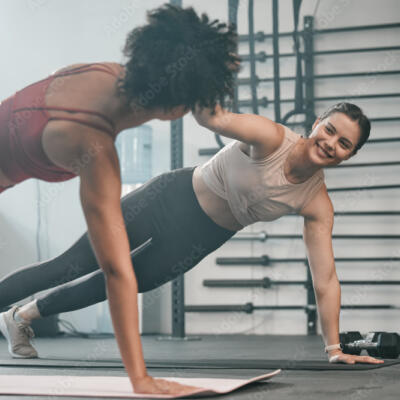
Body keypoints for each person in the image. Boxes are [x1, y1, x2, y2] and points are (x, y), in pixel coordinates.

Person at [1, 101, 384, 371]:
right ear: (318, 122)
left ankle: (20, 316)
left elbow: (326, 279)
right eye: (330, 130)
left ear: (349, 156)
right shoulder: (270, 137)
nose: (331, 143)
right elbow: (215, 119)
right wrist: (199, 83)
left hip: (200, 237)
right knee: (72, 264)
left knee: (114, 283)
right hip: (167, 198)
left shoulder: (316, 202)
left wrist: (334, 348)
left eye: (344, 144)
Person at [0, 4, 239, 396]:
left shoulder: (104, 72)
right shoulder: (92, 147)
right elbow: (117, 272)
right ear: (177, 109)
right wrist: (141, 380)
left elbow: (181, 57)